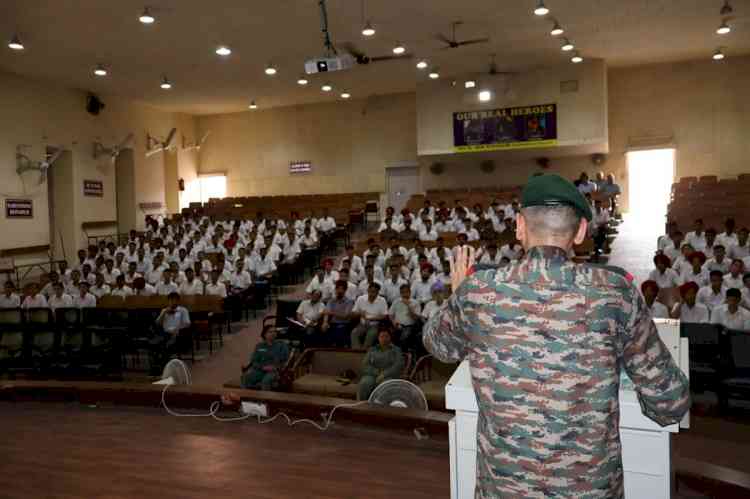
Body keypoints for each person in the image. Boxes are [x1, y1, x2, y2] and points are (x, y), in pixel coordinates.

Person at [423, 174, 689, 498]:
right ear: (580, 232)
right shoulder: (614, 294)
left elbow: (437, 345)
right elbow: (671, 401)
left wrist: (458, 294)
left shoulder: (478, 292)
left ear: (520, 226)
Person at [357, 327, 404, 401]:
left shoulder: (396, 350)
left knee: (384, 385)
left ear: (390, 338)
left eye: (386, 336)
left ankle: (381, 408)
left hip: (388, 376)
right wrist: (377, 372)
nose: (384, 339)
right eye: (382, 336)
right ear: (378, 338)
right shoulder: (372, 350)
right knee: (365, 382)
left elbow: (398, 365)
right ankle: (363, 405)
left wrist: (384, 374)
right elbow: (365, 365)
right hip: (373, 375)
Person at [152, 292, 191, 372]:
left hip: (177, 334)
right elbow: (157, 323)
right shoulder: (164, 310)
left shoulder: (183, 310)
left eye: (174, 300)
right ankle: (157, 366)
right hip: (164, 334)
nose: (172, 302)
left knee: (164, 344)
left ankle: (163, 367)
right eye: (170, 300)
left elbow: (187, 324)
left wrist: (177, 328)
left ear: (178, 301)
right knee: (156, 343)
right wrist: (163, 313)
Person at [351, 282, 388, 349]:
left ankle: (364, 351)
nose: (372, 294)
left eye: (374, 292)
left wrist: (373, 318)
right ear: (368, 290)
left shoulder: (382, 300)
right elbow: (353, 313)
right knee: (354, 333)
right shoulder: (361, 298)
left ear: (378, 292)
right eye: (370, 291)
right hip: (362, 324)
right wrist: (360, 314)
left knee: (371, 335)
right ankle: (357, 351)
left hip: (374, 325)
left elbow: (385, 316)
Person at [321, 280, 354, 347]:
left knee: (339, 331)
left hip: (344, 324)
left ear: (345, 290)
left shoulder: (349, 302)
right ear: (335, 289)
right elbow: (327, 312)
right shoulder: (331, 300)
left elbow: (345, 316)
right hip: (333, 323)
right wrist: (325, 322)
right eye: (338, 289)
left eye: (341, 289)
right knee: (323, 329)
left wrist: (332, 313)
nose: (339, 291)